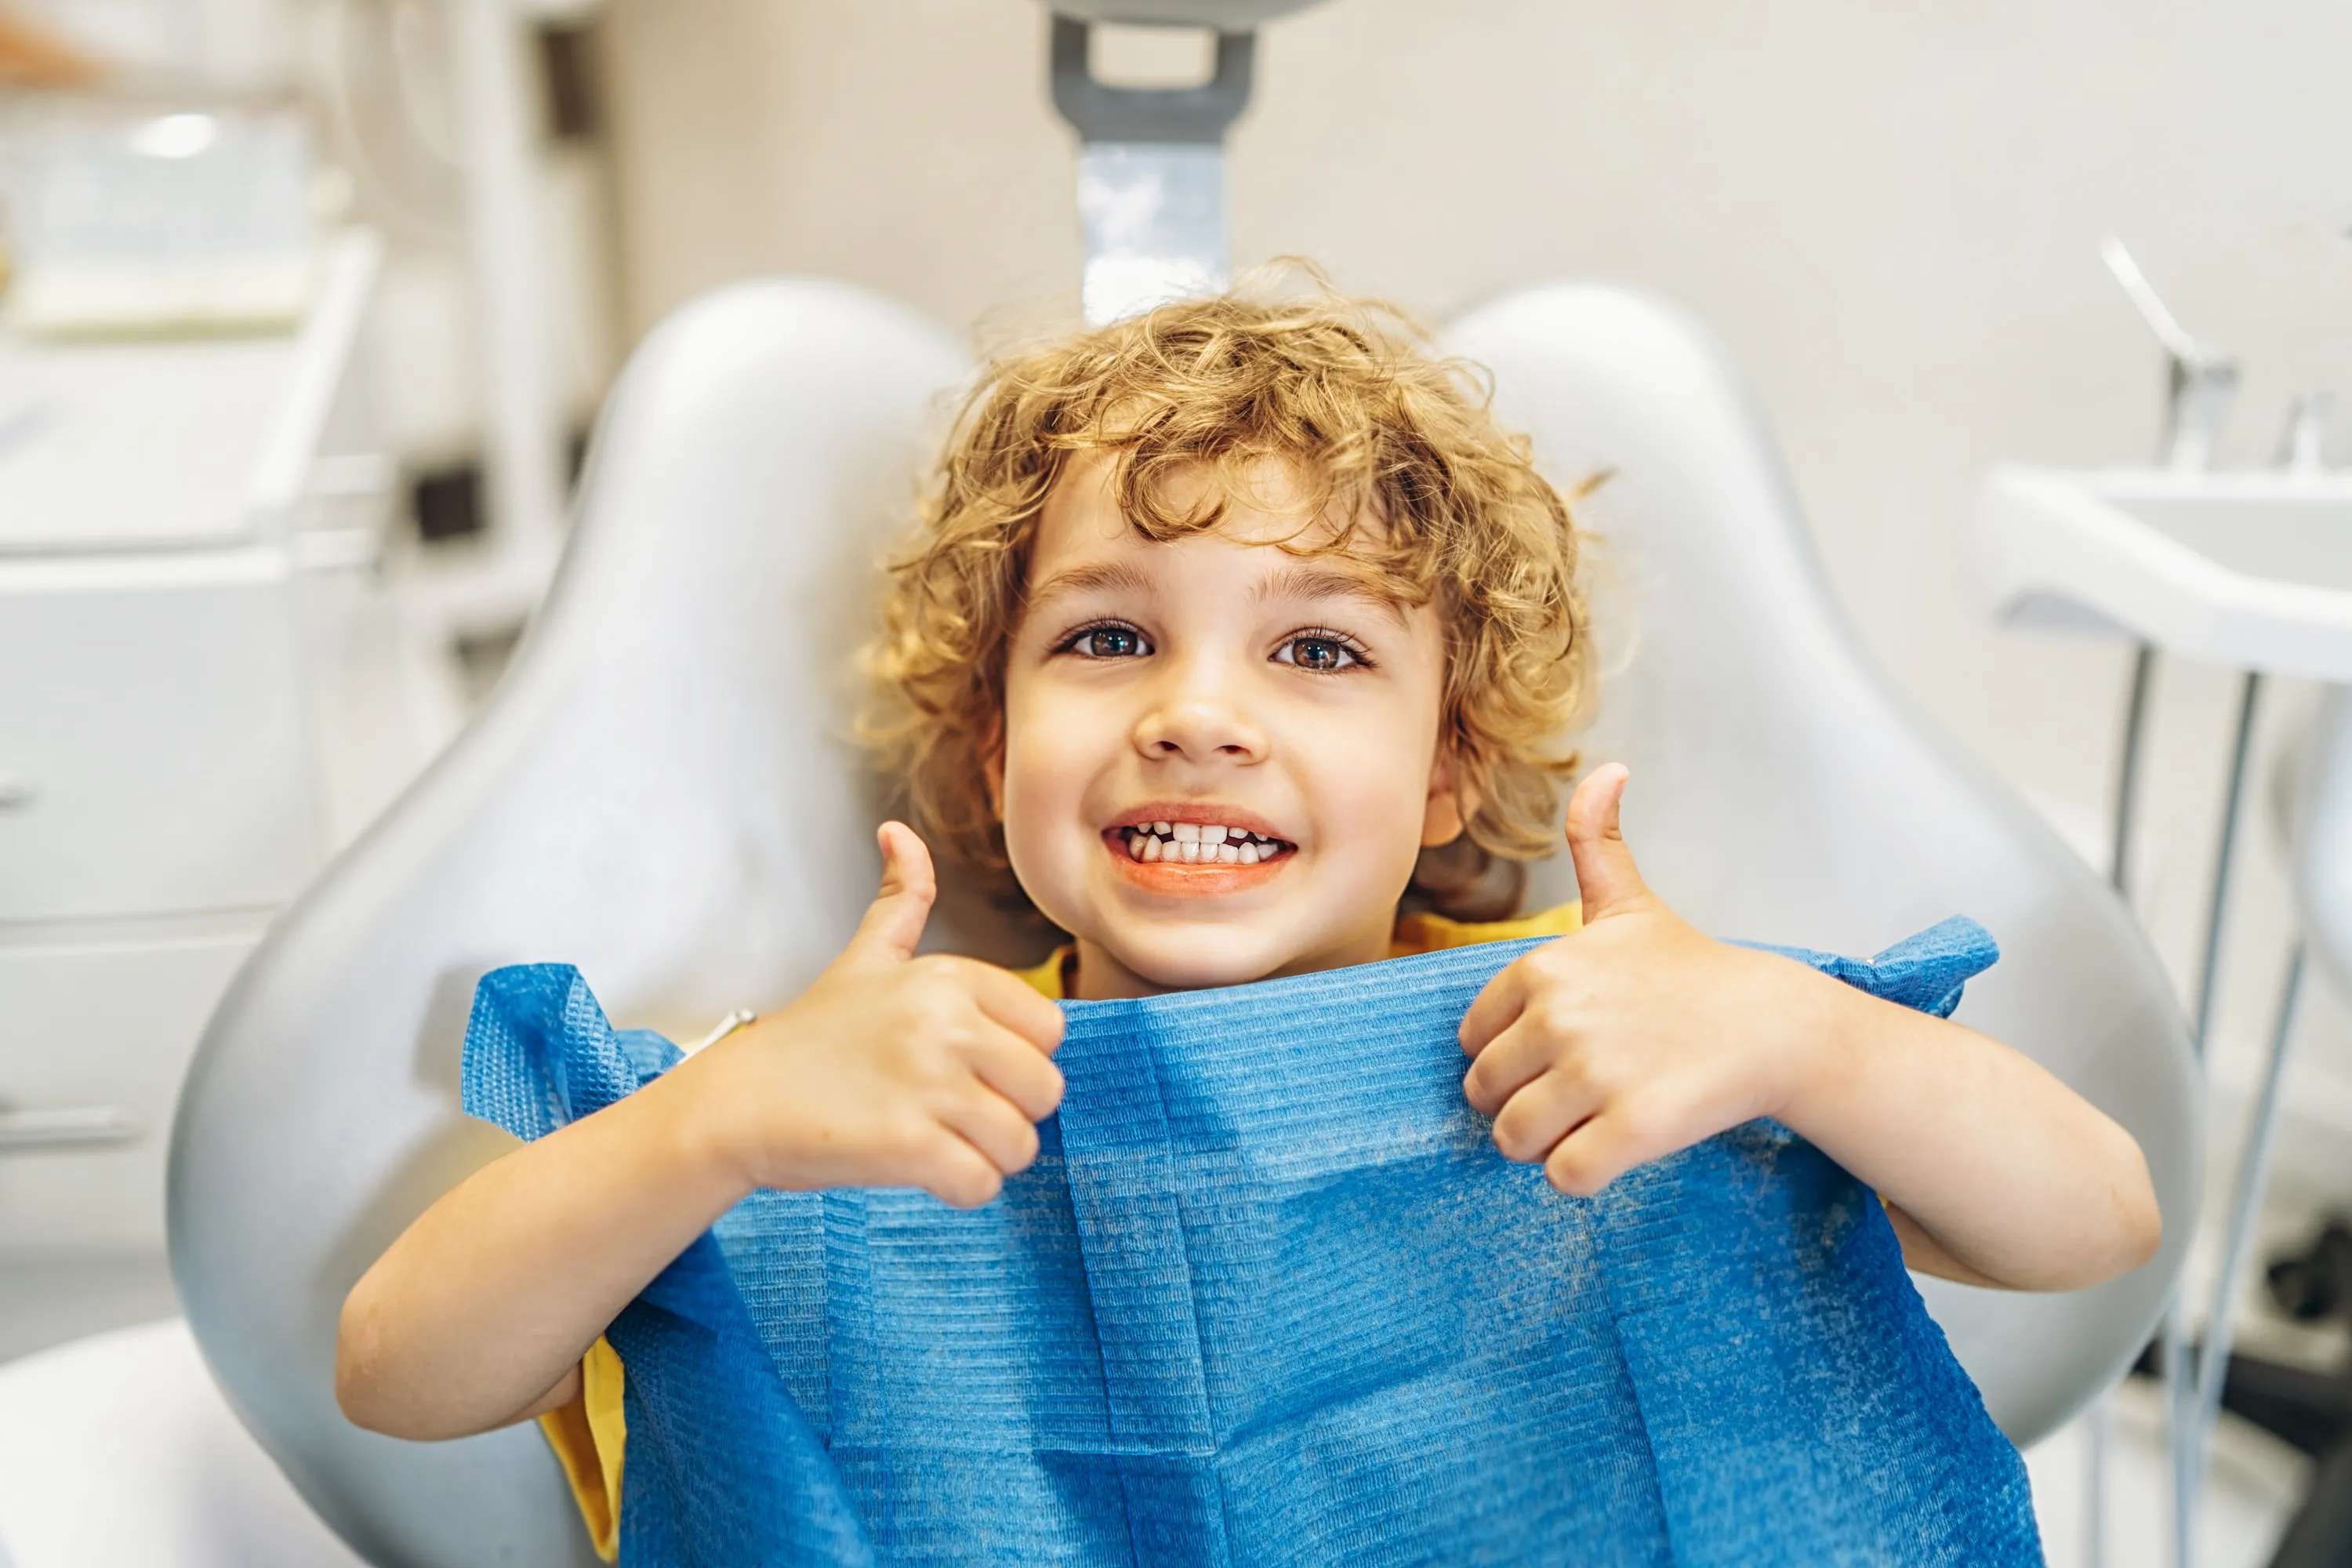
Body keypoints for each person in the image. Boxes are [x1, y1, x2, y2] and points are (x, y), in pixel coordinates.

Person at [335, 285, 2161, 1552]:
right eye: (1108, 635)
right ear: (992, 746)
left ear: (1449, 778)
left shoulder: (1619, 1038)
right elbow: (399, 1368)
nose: (1197, 711)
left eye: (1316, 649)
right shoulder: (851, 1098)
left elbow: (2095, 1223)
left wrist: (1800, 1034)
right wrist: (709, 1121)